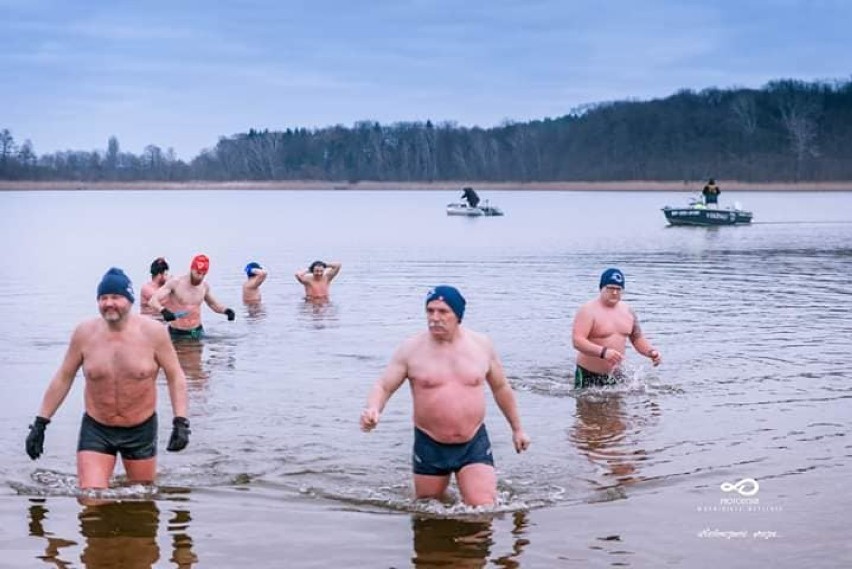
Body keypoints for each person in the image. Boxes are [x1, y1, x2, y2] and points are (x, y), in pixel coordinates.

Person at [359, 285, 531, 506]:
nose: (435, 318)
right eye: (430, 311)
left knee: (483, 508)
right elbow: (384, 385)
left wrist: (517, 429)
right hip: (429, 442)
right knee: (428, 509)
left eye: (443, 311)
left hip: (473, 441)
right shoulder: (411, 349)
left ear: (458, 315)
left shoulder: (481, 345)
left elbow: (501, 388)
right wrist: (373, 409)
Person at [24, 268, 190, 490]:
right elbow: (64, 377)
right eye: (103, 298)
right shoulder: (84, 333)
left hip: (140, 428)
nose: (109, 303)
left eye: (116, 297)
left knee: (142, 502)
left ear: (130, 300)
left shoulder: (154, 333)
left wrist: (181, 422)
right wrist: (40, 423)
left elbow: (175, 376)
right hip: (97, 428)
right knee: (90, 498)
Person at [572, 268, 662, 389]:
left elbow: (637, 338)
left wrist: (651, 352)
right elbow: (577, 341)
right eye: (610, 288)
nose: (614, 292)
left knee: (619, 407)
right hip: (588, 374)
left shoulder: (628, 312)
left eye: (618, 289)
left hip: (616, 375)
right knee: (587, 406)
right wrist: (604, 352)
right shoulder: (587, 311)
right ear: (601, 288)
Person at [148, 254, 236, 340]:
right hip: (177, 333)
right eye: (198, 273)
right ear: (192, 269)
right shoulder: (175, 283)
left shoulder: (204, 286)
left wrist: (227, 311)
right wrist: (163, 311)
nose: (200, 277)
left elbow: (212, 304)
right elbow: (153, 301)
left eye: (203, 274)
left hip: (196, 332)